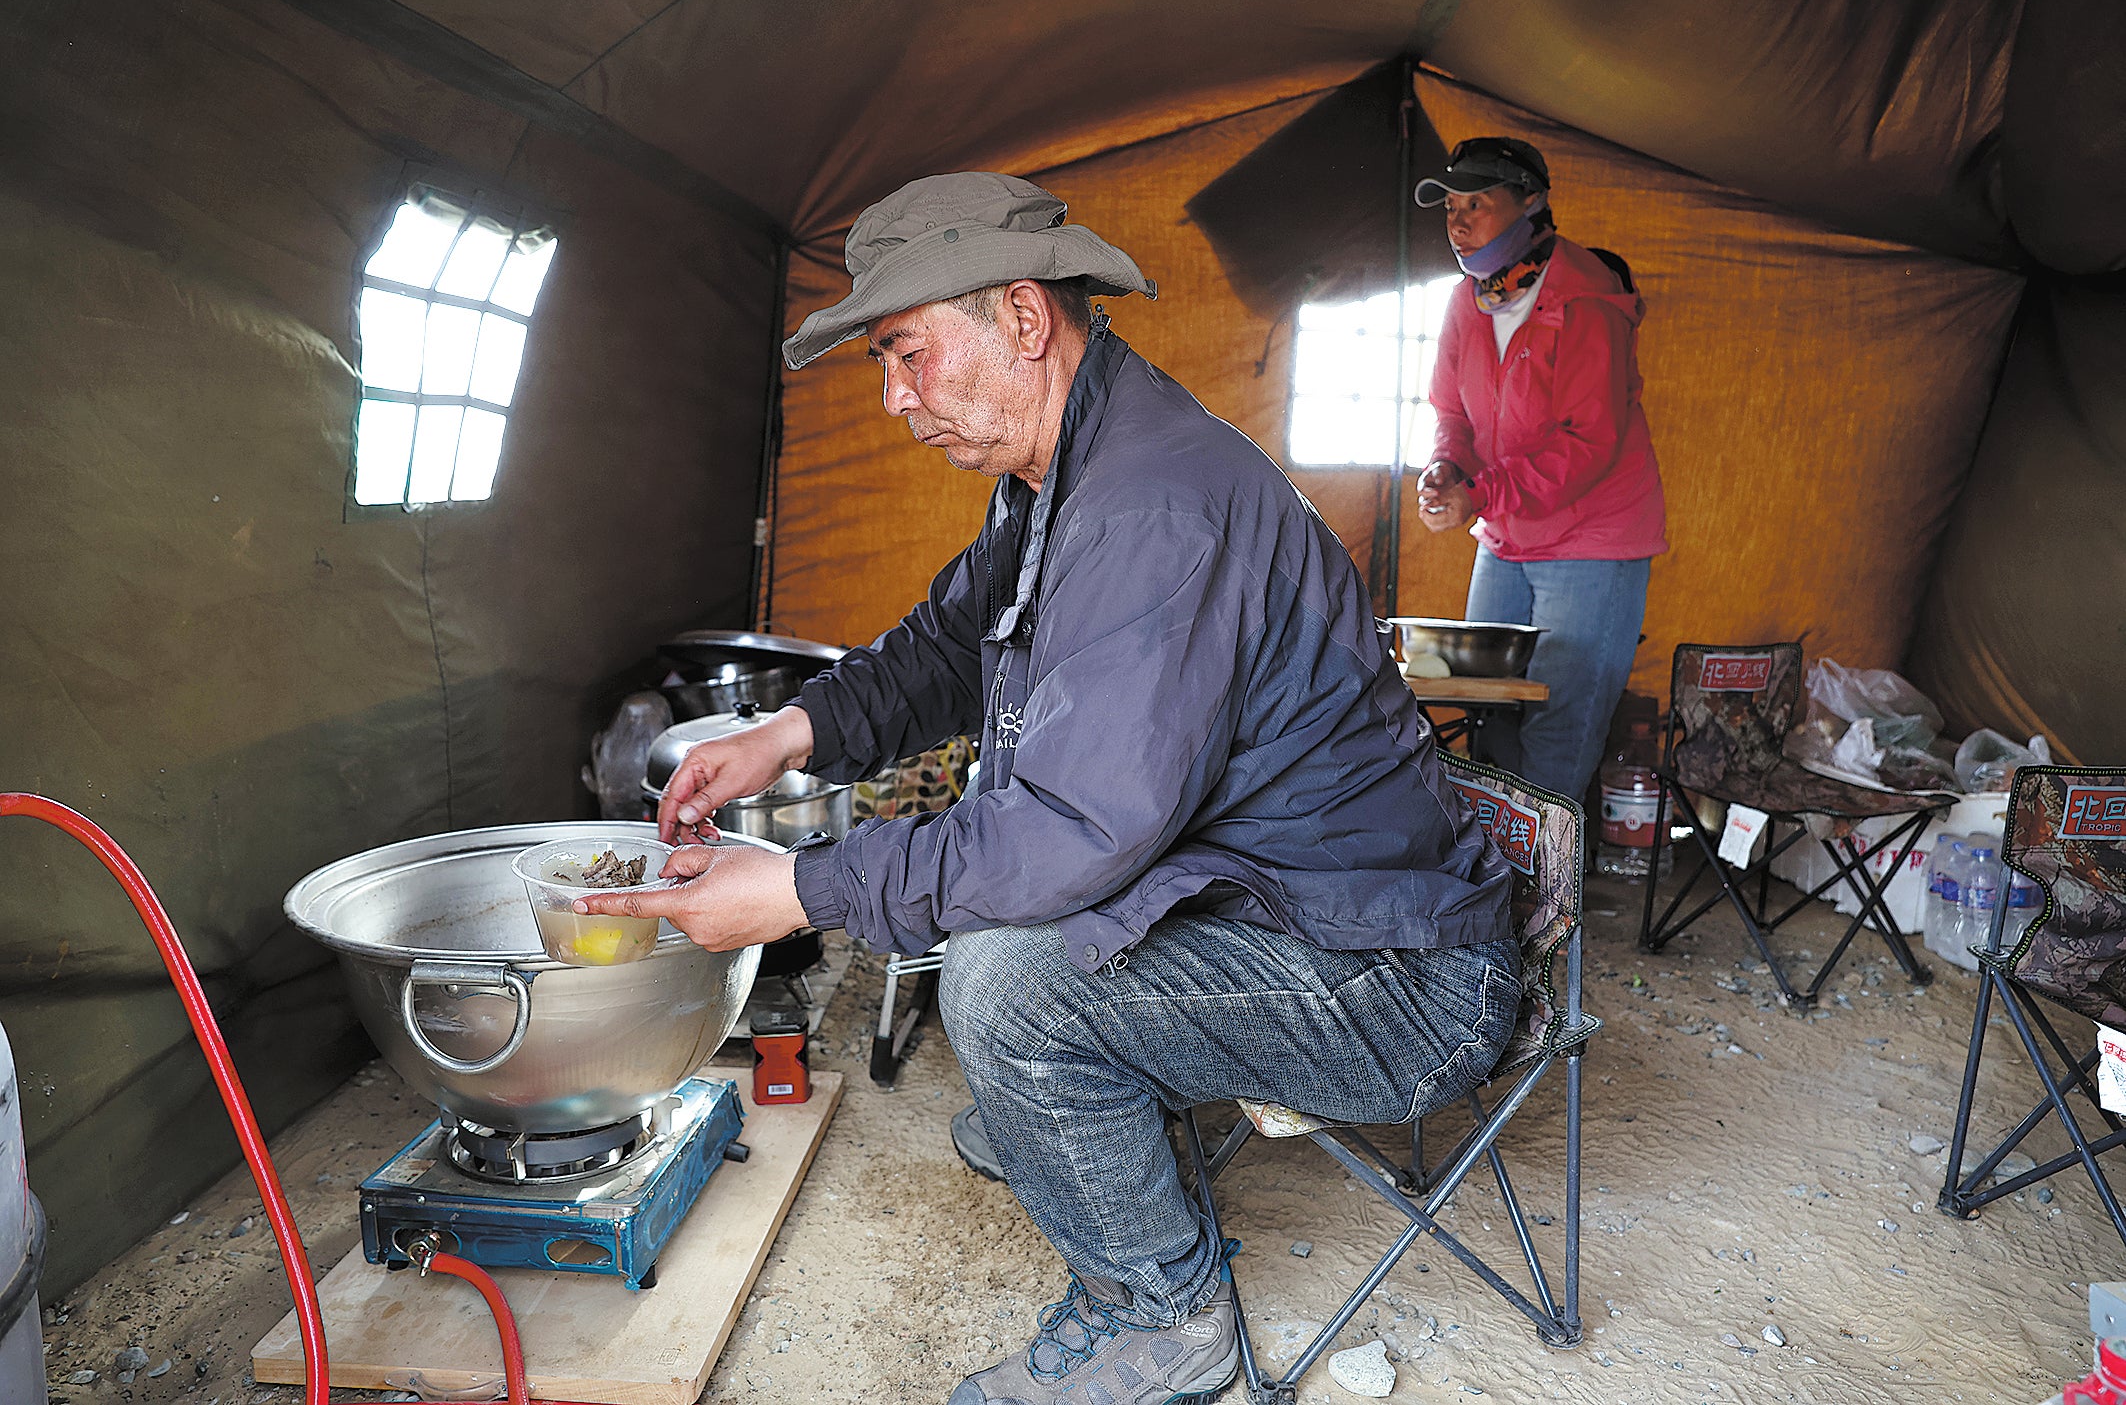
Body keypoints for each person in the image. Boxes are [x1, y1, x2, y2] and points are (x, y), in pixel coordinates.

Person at [575, 172, 1516, 1405]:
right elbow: (941, 643)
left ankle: (1163, 1319)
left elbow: (1071, 833)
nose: (893, 398)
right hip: (1285, 910)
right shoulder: (1059, 473)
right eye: (881, 363)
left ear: (1023, 319)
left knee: (1007, 984)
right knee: (1005, 945)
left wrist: (799, 888)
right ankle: (1069, 1121)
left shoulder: (1153, 507)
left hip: (1394, 982)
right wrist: (787, 731)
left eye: (907, 353)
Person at [1414, 137, 1667, 804]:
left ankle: (1550, 905)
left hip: (1593, 541)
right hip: (1506, 537)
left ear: (1531, 203)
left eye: (1478, 203)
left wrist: (1480, 493)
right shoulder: (1467, 301)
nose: (1459, 221)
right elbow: (1451, 411)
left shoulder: (1585, 295)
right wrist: (1445, 467)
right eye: (1450, 207)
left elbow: (1590, 442)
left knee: (1560, 733)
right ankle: (1495, 895)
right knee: (1484, 708)